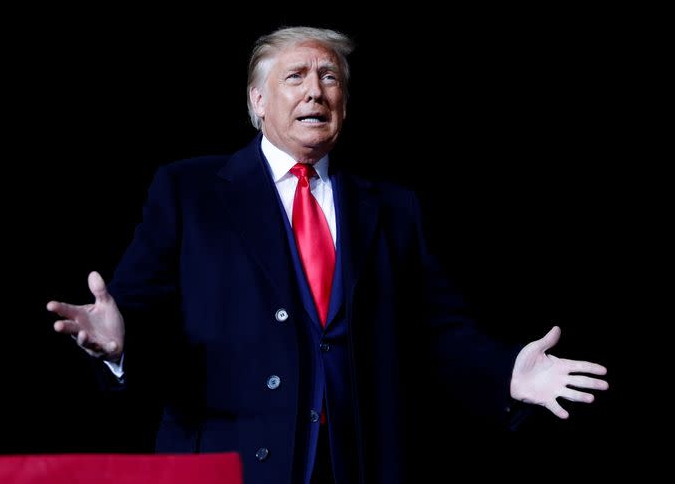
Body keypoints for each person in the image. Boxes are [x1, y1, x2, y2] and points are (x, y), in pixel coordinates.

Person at [46, 26, 609, 483]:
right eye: (296, 77)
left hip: (358, 465)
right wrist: (117, 344)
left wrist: (504, 371)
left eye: (330, 78)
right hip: (230, 463)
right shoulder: (188, 191)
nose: (315, 91)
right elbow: (139, 308)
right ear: (257, 99)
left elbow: (438, 329)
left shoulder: (392, 208)